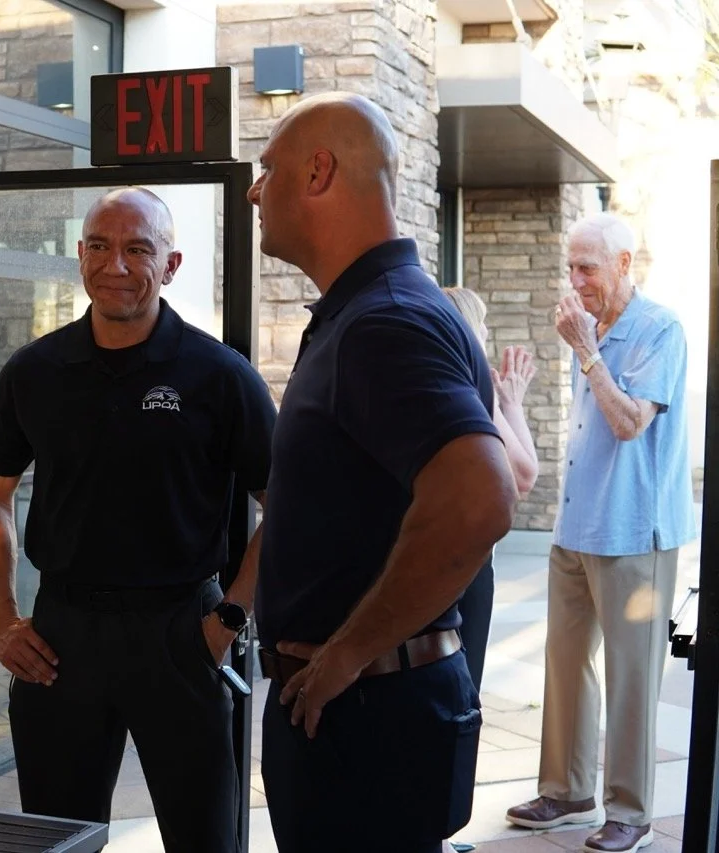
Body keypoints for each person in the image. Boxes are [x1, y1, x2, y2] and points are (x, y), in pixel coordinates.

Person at [0, 187, 276, 853]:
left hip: (182, 633)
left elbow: (284, 507)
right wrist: (2, 620)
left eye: (138, 249)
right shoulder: (34, 371)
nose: (116, 265)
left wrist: (229, 619)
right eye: (101, 247)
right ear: (79, 255)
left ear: (171, 264)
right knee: (59, 841)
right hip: (62, 636)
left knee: (206, 841)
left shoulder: (220, 376)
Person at [247, 92, 516, 853]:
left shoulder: (385, 321)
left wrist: (347, 652)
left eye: (268, 169)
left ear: (319, 172)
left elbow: (479, 498)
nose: (255, 191)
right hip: (360, 713)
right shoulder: (367, 311)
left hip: (366, 721)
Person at [504, 213, 695, 853]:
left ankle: (631, 813)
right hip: (576, 525)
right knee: (565, 664)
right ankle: (566, 791)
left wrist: (587, 353)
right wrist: (587, 346)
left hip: (635, 532)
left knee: (631, 676)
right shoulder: (593, 327)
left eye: (587, 267)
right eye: (570, 267)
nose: (576, 279)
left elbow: (629, 423)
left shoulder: (659, 328)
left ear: (623, 264)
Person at [443, 286, 539, 690]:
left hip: (439, 556)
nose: (487, 331)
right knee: (463, 687)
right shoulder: (468, 384)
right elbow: (523, 475)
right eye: (482, 323)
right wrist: (508, 405)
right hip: (464, 567)